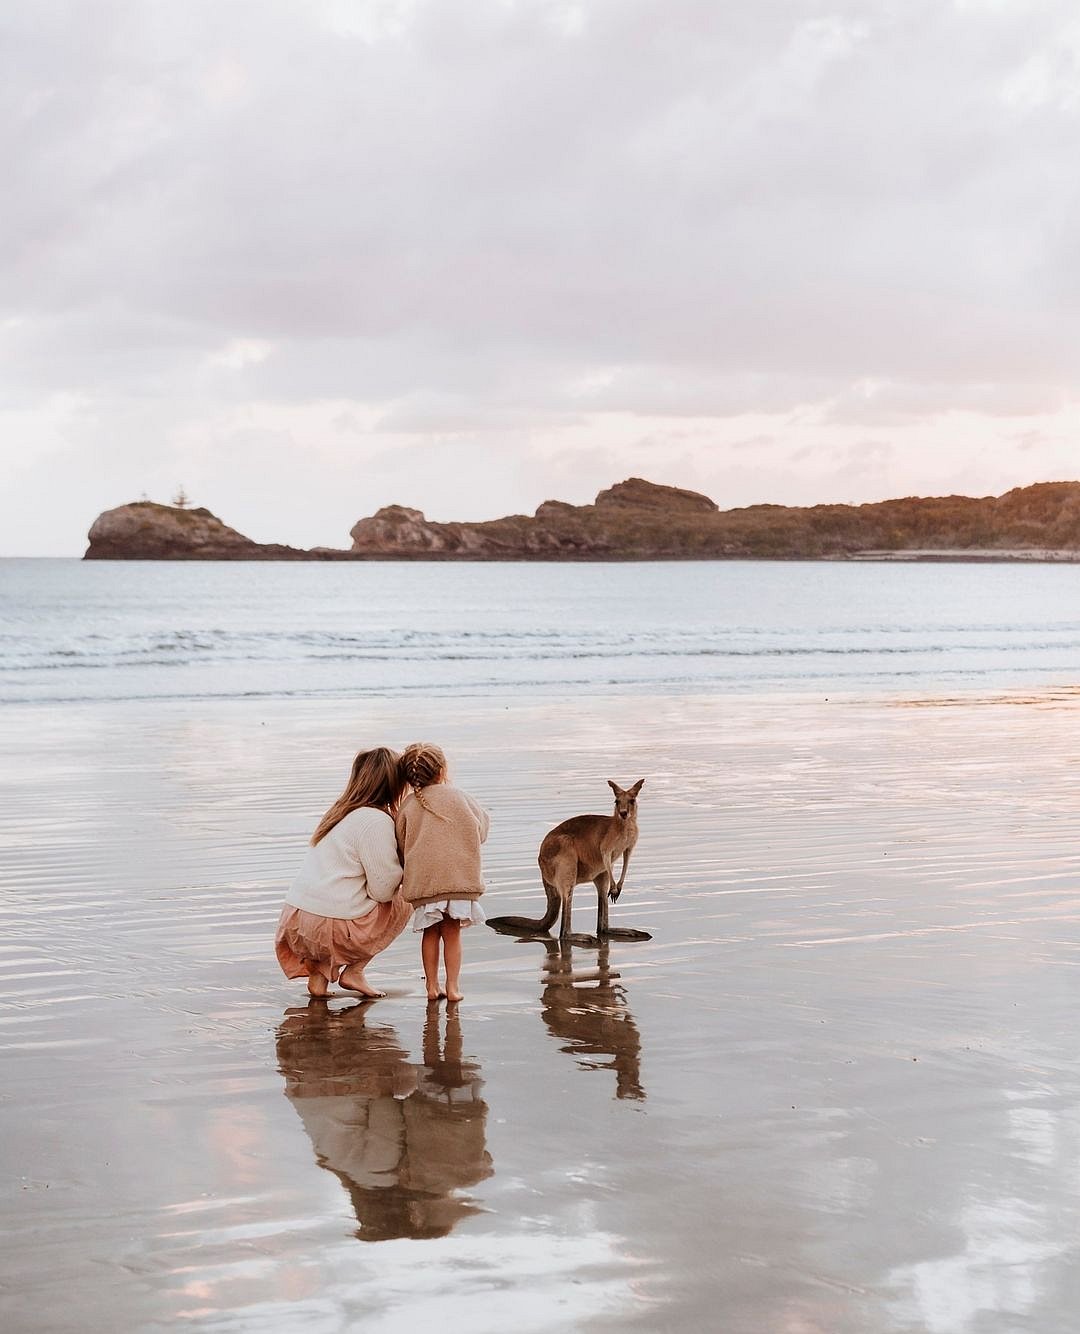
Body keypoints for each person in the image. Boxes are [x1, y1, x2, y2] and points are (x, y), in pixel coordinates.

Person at [275, 747, 410, 998]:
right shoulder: (376, 821)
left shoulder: (338, 814)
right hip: (327, 928)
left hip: (294, 920)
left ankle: (318, 979)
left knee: (338, 895)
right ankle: (354, 971)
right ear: (395, 784)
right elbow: (382, 890)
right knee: (404, 899)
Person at [396, 742, 489, 1002]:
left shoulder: (409, 805)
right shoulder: (461, 797)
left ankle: (431, 987)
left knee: (430, 933)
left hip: (426, 882)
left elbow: (401, 841)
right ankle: (453, 987)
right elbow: (481, 830)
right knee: (452, 933)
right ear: (442, 770)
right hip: (459, 878)